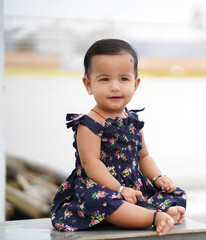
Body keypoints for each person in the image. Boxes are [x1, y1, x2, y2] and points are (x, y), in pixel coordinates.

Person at [50, 39, 187, 236]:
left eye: (124, 79)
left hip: (133, 185)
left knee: (171, 193)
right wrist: (120, 189)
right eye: (104, 79)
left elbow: (144, 156)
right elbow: (91, 164)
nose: (115, 87)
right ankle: (153, 217)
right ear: (88, 85)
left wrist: (158, 177)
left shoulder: (132, 120)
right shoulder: (89, 124)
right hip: (100, 185)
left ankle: (163, 210)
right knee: (103, 203)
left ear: (135, 83)